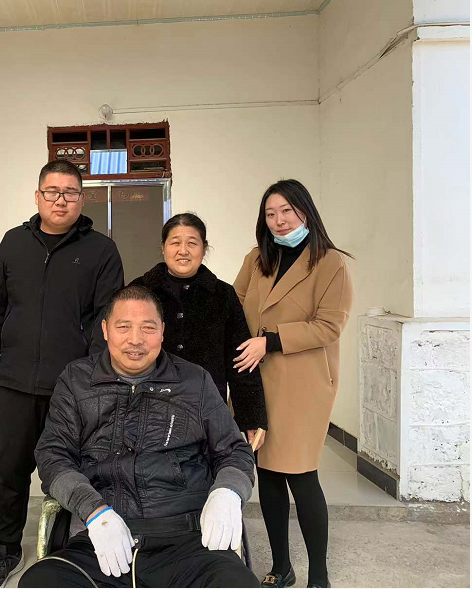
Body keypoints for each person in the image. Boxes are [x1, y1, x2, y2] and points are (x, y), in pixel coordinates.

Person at [19, 285, 259, 588]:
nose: (135, 340)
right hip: (103, 536)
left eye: (148, 328)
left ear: (163, 331)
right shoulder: (77, 380)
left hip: (189, 541)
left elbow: (234, 450)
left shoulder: (194, 381)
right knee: (40, 582)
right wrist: (95, 513)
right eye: (123, 327)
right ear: (105, 330)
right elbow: (53, 455)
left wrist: (228, 492)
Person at [0, 160, 124, 588]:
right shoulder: (13, 242)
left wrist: (92, 376)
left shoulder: (101, 250)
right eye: (52, 192)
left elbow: (106, 319)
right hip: (15, 381)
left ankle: (68, 548)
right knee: (11, 469)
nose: (61, 200)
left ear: (82, 198)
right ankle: (8, 548)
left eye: (70, 193)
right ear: (38, 196)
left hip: (72, 386)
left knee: (71, 468)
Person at [233, 179, 353, 589]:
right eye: (270, 214)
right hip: (256, 380)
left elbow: (329, 325)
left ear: (305, 211)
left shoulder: (331, 263)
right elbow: (235, 307)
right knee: (267, 475)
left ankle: (319, 575)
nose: (279, 221)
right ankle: (282, 567)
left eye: (286, 210)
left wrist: (270, 341)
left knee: (301, 475)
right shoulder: (256, 259)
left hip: (303, 383)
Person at [129, 212, 268, 446]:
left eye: (192, 243)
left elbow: (241, 360)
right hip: (148, 411)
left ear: (204, 249)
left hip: (206, 412)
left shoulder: (223, 295)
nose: (183, 251)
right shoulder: (139, 291)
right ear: (163, 248)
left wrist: (251, 418)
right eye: (175, 243)